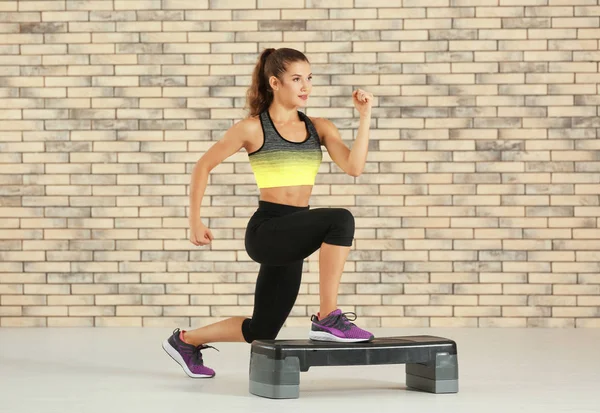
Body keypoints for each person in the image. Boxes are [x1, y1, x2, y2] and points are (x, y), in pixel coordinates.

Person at [162, 47, 375, 379]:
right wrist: (194, 220)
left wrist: (364, 117)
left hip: (294, 234)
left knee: (262, 329)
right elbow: (203, 165)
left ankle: (185, 341)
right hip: (268, 230)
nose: (305, 86)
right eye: (296, 79)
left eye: (309, 78)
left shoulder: (319, 127)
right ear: (275, 83)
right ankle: (328, 316)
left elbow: (354, 167)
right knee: (340, 219)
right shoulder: (252, 128)